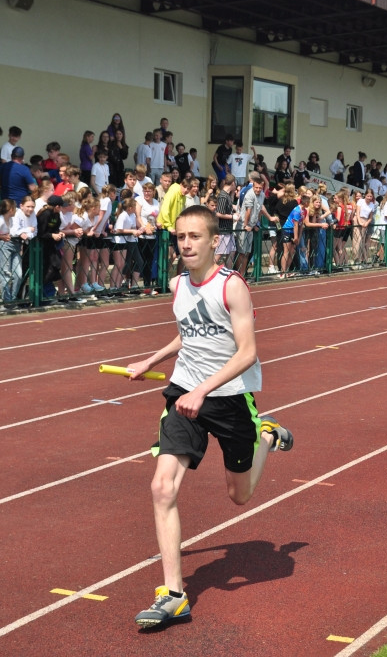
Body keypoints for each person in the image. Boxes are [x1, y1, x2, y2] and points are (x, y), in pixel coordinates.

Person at [126, 205, 293, 628]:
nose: (185, 244)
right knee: (162, 486)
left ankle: (267, 437)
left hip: (230, 399)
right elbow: (188, 330)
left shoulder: (232, 287)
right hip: (185, 394)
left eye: (195, 236)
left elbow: (248, 352)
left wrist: (206, 390)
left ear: (214, 241)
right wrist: (151, 360)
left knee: (239, 496)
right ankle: (175, 596)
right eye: (181, 236)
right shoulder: (177, 284)